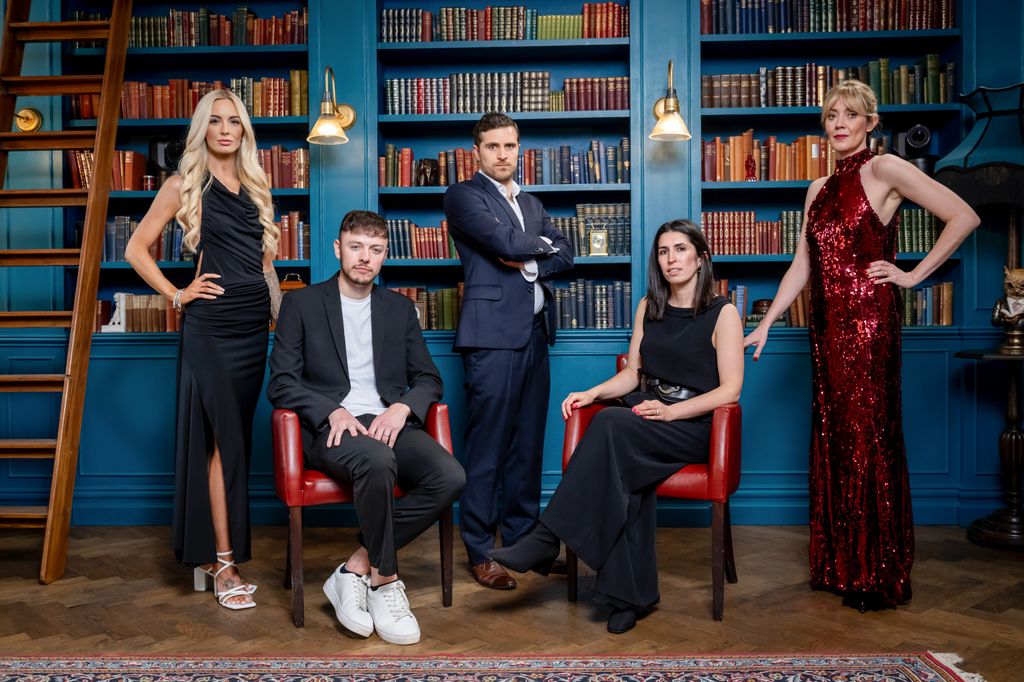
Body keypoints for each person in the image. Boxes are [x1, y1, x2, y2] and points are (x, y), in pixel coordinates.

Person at [744, 80, 980, 612]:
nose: (840, 123)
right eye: (831, 115)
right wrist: (767, 321)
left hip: (869, 330)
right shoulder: (817, 187)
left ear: (871, 122)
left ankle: (876, 573)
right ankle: (839, 564)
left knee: (867, 439)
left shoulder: (886, 169)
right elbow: (802, 266)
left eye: (851, 114)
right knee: (835, 439)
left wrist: (913, 274)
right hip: (825, 334)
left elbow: (965, 216)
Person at [490, 219, 744, 634]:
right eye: (663, 251)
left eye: (681, 249)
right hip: (647, 415)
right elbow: (633, 374)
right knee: (623, 473)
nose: (671, 259)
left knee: (611, 424)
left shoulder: (724, 313)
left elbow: (731, 390)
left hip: (692, 424)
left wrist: (672, 413)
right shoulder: (650, 306)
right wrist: (591, 393)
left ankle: (548, 534)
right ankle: (627, 596)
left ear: (702, 259)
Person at [267, 209, 465, 645]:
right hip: (333, 430)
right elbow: (280, 383)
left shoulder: (399, 309)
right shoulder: (301, 304)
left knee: (451, 475)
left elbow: (430, 378)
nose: (364, 258)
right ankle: (386, 580)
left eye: (375, 250)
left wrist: (402, 409)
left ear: (384, 255)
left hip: (388, 422)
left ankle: (355, 567)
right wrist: (329, 411)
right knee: (378, 461)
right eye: (355, 247)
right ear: (338, 249)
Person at [125, 88, 281, 611]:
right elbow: (134, 248)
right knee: (225, 442)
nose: (225, 130)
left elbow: (264, 267)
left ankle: (220, 554)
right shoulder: (183, 183)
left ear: (243, 131)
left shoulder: (257, 186)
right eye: (214, 122)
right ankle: (224, 562)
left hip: (253, 328)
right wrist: (176, 294)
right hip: (210, 328)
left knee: (233, 443)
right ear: (203, 130)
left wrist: (281, 319)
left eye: (234, 121)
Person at [443, 112, 574, 589]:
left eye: (510, 146)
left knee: (527, 447)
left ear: (520, 149)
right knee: (488, 448)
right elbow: (501, 239)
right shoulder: (463, 195)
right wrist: (538, 247)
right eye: (493, 146)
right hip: (491, 337)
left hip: (537, 334)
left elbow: (567, 252)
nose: (503, 155)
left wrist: (530, 258)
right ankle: (480, 550)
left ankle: (521, 544)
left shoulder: (532, 202)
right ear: (477, 151)